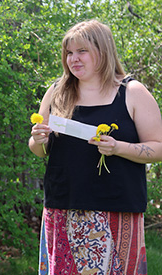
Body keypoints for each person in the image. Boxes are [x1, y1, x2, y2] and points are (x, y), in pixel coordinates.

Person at [29, 20, 162, 274]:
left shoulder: (131, 92)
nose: (73, 59)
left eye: (82, 51)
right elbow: (38, 149)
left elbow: (158, 147)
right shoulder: (57, 92)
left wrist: (118, 147)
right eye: (69, 53)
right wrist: (38, 139)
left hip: (116, 211)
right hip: (62, 209)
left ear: (103, 51)